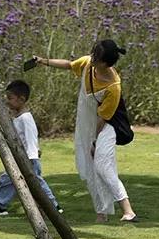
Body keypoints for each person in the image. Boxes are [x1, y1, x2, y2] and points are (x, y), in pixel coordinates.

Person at [34, 40, 136, 222]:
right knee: (91, 168)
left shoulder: (113, 87)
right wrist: (43, 61)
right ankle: (101, 213)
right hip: (88, 124)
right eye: (93, 54)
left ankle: (128, 210)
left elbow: (103, 118)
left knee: (102, 165)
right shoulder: (88, 64)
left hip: (108, 126)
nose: (92, 58)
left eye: (97, 57)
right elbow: (69, 65)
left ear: (106, 63)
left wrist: (94, 142)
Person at [0, 78, 62, 217]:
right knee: (8, 180)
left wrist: (32, 154)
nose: (7, 101)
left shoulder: (25, 118)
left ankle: (52, 205)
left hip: (27, 158)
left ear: (21, 99)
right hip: (21, 156)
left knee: (36, 183)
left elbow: (30, 137)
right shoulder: (19, 117)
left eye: (10, 98)